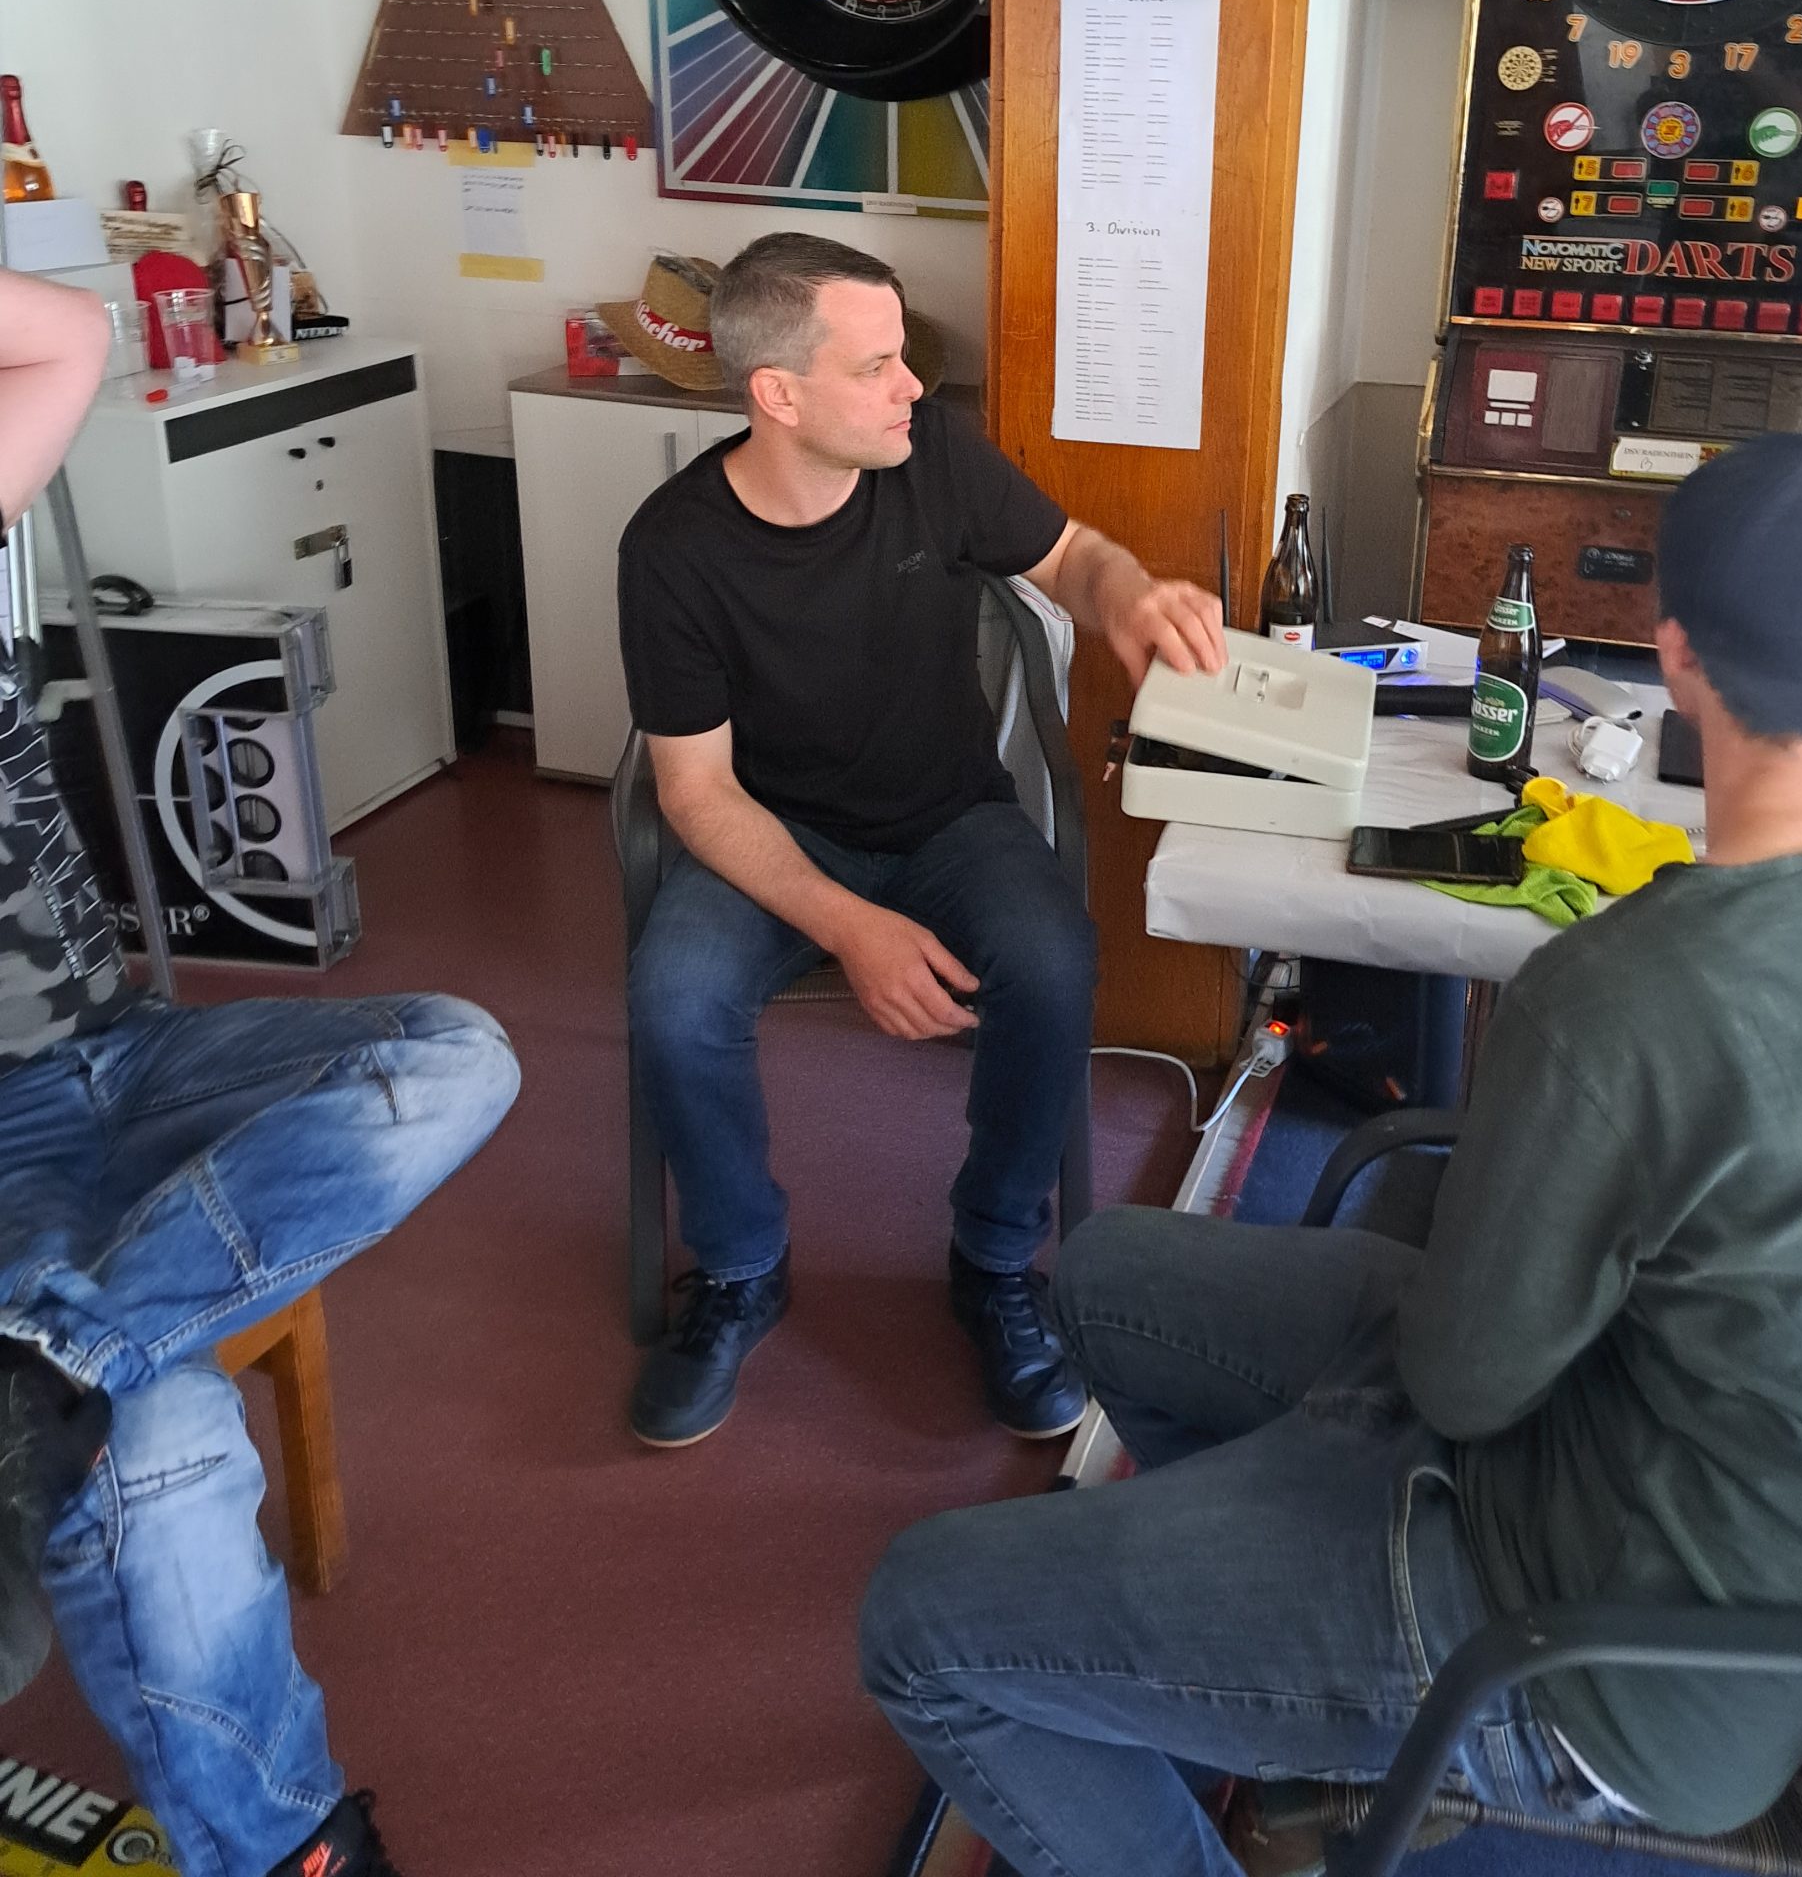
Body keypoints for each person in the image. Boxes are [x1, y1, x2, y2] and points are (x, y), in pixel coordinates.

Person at [861, 429, 1802, 1877]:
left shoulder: (1622, 1000)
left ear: (1673, 655)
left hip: (1595, 1655)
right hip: (1668, 1458)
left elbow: (1466, 1381)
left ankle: (1296, 1686)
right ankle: (1253, 1696)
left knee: (918, 1620)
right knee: (1105, 1276)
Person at [0, 267, 521, 1877]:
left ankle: (45, 1368)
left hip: (127, 1052)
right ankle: (293, 1848)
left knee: (455, 1056)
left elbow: (66, 336)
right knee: (163, 1439)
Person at [618, 232, 1226, 1451]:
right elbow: (695, 794)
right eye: (877, 366)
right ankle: (738, 1269)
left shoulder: (929, 454)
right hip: (773, 835)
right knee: (674, 996)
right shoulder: (673, 548)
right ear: (779, 394)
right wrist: (854, 928)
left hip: (950, 816)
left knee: (1052, 961)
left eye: (905, 359)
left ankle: (995, 1261)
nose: (912, 387)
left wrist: (1129, 594)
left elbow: (1073, 558)